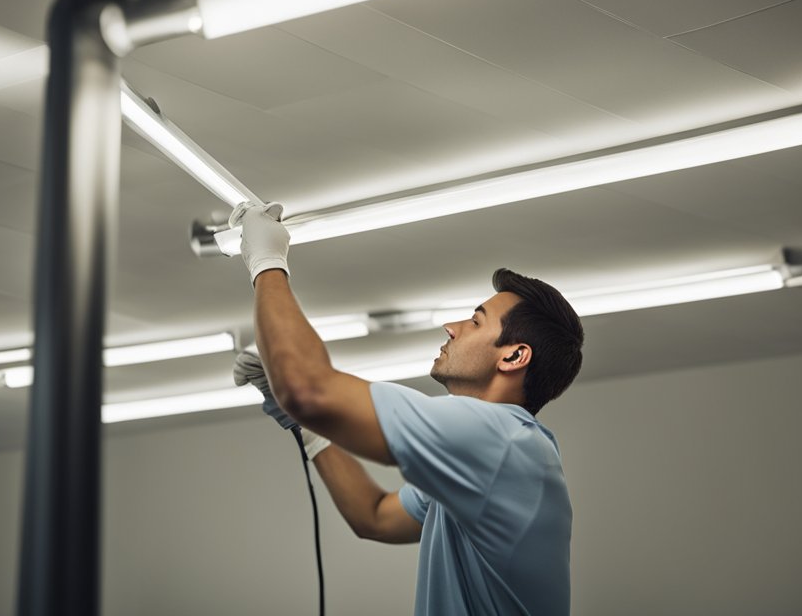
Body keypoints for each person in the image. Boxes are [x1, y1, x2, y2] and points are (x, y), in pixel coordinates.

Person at [230, 201, 584, 616]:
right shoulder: (488, 456)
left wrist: (266, 261)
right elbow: (375, 516)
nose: (451, 327)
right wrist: (306, 426)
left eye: (475, 321)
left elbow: (310, 389)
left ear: (513, 356)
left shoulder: (501, 439)